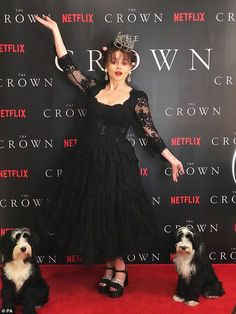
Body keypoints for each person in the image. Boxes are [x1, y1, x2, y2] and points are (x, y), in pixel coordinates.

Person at [35, 15, 184, 298]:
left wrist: (172, 158)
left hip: (118, 164)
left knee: (116, 216)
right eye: (114, 60)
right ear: (106, 64)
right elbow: (67, 65)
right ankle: (108, 266)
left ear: (130, 67)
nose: (118, 66)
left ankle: (120, 269)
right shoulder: (93, 88)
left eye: (124, 62)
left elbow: (150, 134)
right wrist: (56, 30)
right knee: (96, 215)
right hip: (87, 162)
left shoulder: (136, 97)